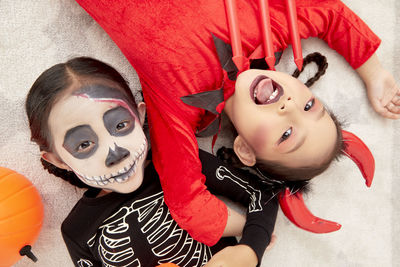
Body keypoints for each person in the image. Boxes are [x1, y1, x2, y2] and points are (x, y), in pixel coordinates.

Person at [73, 0, 400, 247]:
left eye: (287, 134)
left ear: (244, 148)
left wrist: (251, 227)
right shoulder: (271, 28)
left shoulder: (177, 106)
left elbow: (188, 203)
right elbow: (327, 12)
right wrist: (375, 75)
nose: (290, 107)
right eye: (310, 105)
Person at [25, 57, 278, 267]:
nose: (116, 153)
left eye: (120, 125)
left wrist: (248, 250)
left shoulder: (179, 162)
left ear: (140, 113)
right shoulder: (77, 231)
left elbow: (261, 193)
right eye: (83, 144)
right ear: (57, 160)